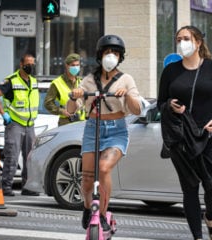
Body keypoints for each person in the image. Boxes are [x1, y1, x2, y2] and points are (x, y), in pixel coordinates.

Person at [157, 26, 212, 240]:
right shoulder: (171, 71)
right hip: (181, 138)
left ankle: (210, 216)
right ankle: (198, 237)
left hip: (210, 135)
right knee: (190, 188)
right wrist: (169, 104)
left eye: (186, 38)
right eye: (178, 39)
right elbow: (160, 102)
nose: (182, 43)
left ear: (198, 42)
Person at [67, 34, 142, 233]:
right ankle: (87, 207)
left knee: (104, 168)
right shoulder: (89, 80)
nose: (111, 56)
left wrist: (127, 94)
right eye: (108, 52)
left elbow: (136, 110)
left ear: (120, 57)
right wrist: (75, 96)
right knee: (87, 177)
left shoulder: (126, 79)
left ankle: (101, 213)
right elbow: (72, 109)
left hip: (117, 130)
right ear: (101, 55)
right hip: (93, 127)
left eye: (115, 53)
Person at [0, 53, 40, 197]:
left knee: (30, 157)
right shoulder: (11, 81)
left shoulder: (33, 81)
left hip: (30, 125)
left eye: (33, 64)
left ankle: (28, 186)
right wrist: (3, 113)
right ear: (21, 65)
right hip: (15, 124)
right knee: (12, 156)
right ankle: (6, 186)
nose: (31, 67)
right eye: (28, 64)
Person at [44, 53, 86, 126]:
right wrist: (61, 111)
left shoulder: (81, 82)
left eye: (77, 65)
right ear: (67, 66)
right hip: (66, 122)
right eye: (73, 65)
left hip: (81, 123)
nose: (75, 67)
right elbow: (48, 103)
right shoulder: (57, 83)